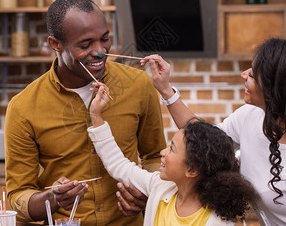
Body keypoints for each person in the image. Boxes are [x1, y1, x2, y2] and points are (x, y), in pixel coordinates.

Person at [141, 38, 286, 226]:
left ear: (278, 92)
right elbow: (204, 141)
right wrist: (166, 90)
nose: (244, 74)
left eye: (253, 75)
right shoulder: (251, 116)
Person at [4, 0, 166, 225]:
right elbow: (18, 195)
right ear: (55, 44)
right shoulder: (23, 107)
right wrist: (52, 199)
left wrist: (147, 190)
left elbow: (154, 157)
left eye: (105, 38)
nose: (100, 51)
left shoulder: (138, 85)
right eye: (85, 44)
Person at [88, 84, 259, 226]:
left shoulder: (219, 222)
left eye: (171, 148)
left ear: (191, 170)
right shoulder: (159, 186)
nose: (162, 152)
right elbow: (118, 165)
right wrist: (96, 117)